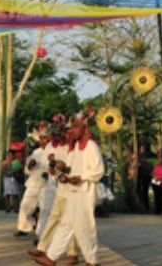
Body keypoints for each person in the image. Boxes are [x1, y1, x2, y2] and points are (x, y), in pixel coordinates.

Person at [33, 109, 104, 266]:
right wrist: (60, 171)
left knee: (85, 227)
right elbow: (68, 168)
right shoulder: (75, 146)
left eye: (76, 127)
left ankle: (92, 261)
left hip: (85, 192)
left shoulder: (91, 146)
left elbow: (99, 171)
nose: (73, 130)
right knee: (66, 224)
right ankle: (51, 257)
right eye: (72, 127)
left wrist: (81, 177)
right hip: (73, 191)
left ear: (84, 128)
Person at [30, 115, 78, 265]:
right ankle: (42, 248)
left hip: (73, 187)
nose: (55, 136)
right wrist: (51, 164)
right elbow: (47, 165)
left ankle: (72, 253)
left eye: (59, 133)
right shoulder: (51, 146)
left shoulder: (72, 146)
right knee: (54, 217)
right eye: (53, 134)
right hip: (59, 186)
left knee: (71, 220)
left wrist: (59, 165)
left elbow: (70, 167)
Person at [16, 126, 49, 237]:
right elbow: (27, 169)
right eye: (42, 138)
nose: (44, 141)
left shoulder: (54, 151)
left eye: (46, 138)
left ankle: (41, 233)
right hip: (34, 182)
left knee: (44, 209)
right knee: (25, 204)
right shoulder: (36, 152)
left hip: (47, 184)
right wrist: (30, 166)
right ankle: (23, 227)